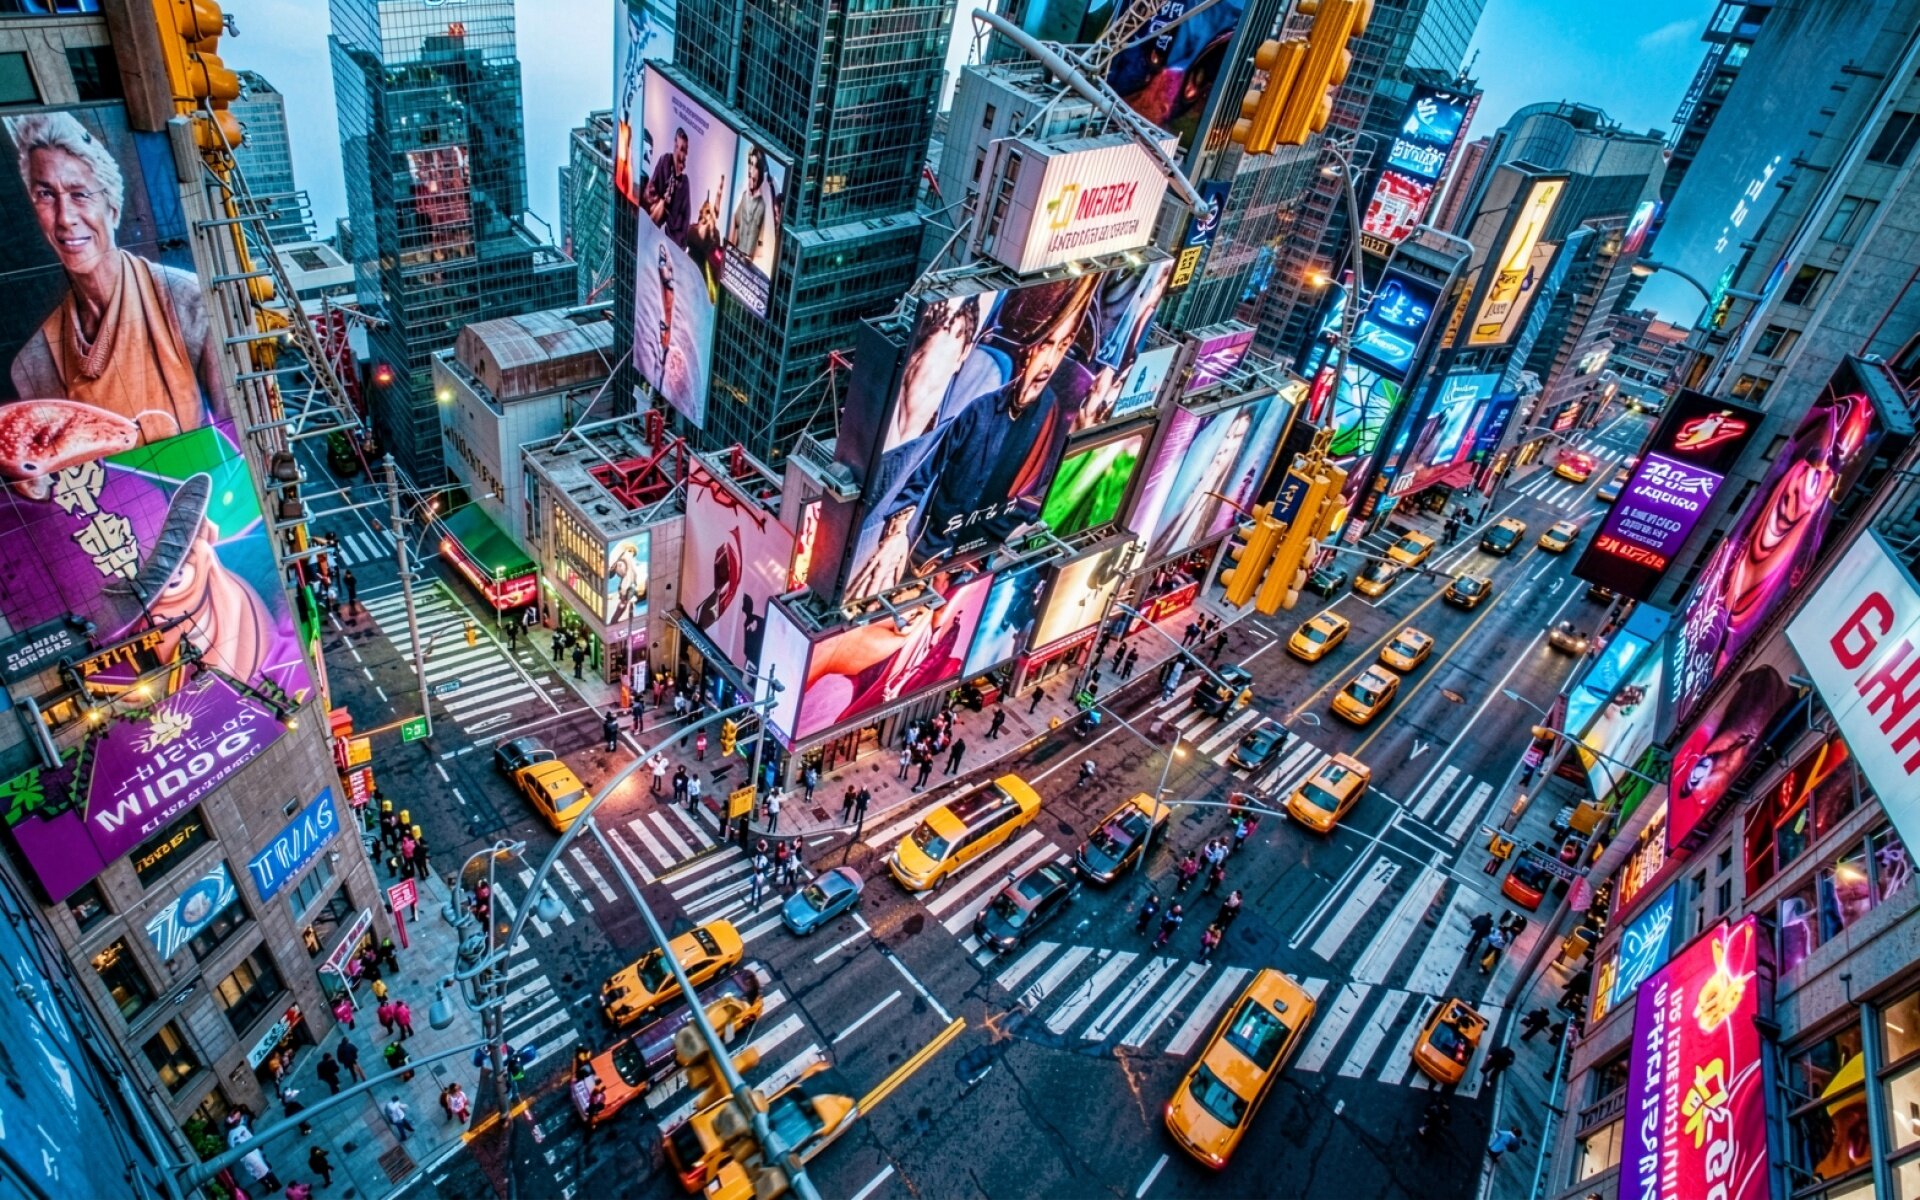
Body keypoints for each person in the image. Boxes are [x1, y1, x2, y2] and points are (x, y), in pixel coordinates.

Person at [4, 111, 227, 474]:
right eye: (45, 195)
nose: (65, 217)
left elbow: (237, 437)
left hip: (203, 495)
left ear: (113, 208)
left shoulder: (188, 302)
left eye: (79, 194)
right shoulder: (33, 362)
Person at [645, 126, 693, 244]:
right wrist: (662, 201)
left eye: (684, 150)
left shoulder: (684, 182)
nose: (682, 155)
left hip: (671, 235)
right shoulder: (665, 161)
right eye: (680, 149)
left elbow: (685, 218)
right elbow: (650, 191)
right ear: (675, 146)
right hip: (654, 220)